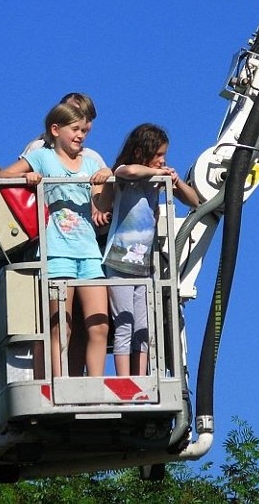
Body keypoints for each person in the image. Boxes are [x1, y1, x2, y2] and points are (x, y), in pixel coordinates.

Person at [0, 103, 112, 377]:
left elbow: (100, 204)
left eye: (84, 130)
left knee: (99, 324)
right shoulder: (42, 157)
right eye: (75, 129)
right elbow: (1, 177)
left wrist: (108, 179)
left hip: (88, 252)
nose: (80, 135)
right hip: (57, 251)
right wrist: (25, 177)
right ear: (55, 129)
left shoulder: (90, 162)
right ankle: (59, 380)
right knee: (61, 324)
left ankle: (96, 383)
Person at [101, 123, 199, 376]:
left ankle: (140, 375)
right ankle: (124, 379)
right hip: (119, 259)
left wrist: (175, 180)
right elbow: (130, 170)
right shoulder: (124, 173)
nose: (162, 160)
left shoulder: (158, 180)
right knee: (124, 322)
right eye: (158, 155)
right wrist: (154, 172)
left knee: (143, 325)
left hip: (144, 265)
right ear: (141, 152)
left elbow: (194, 200)